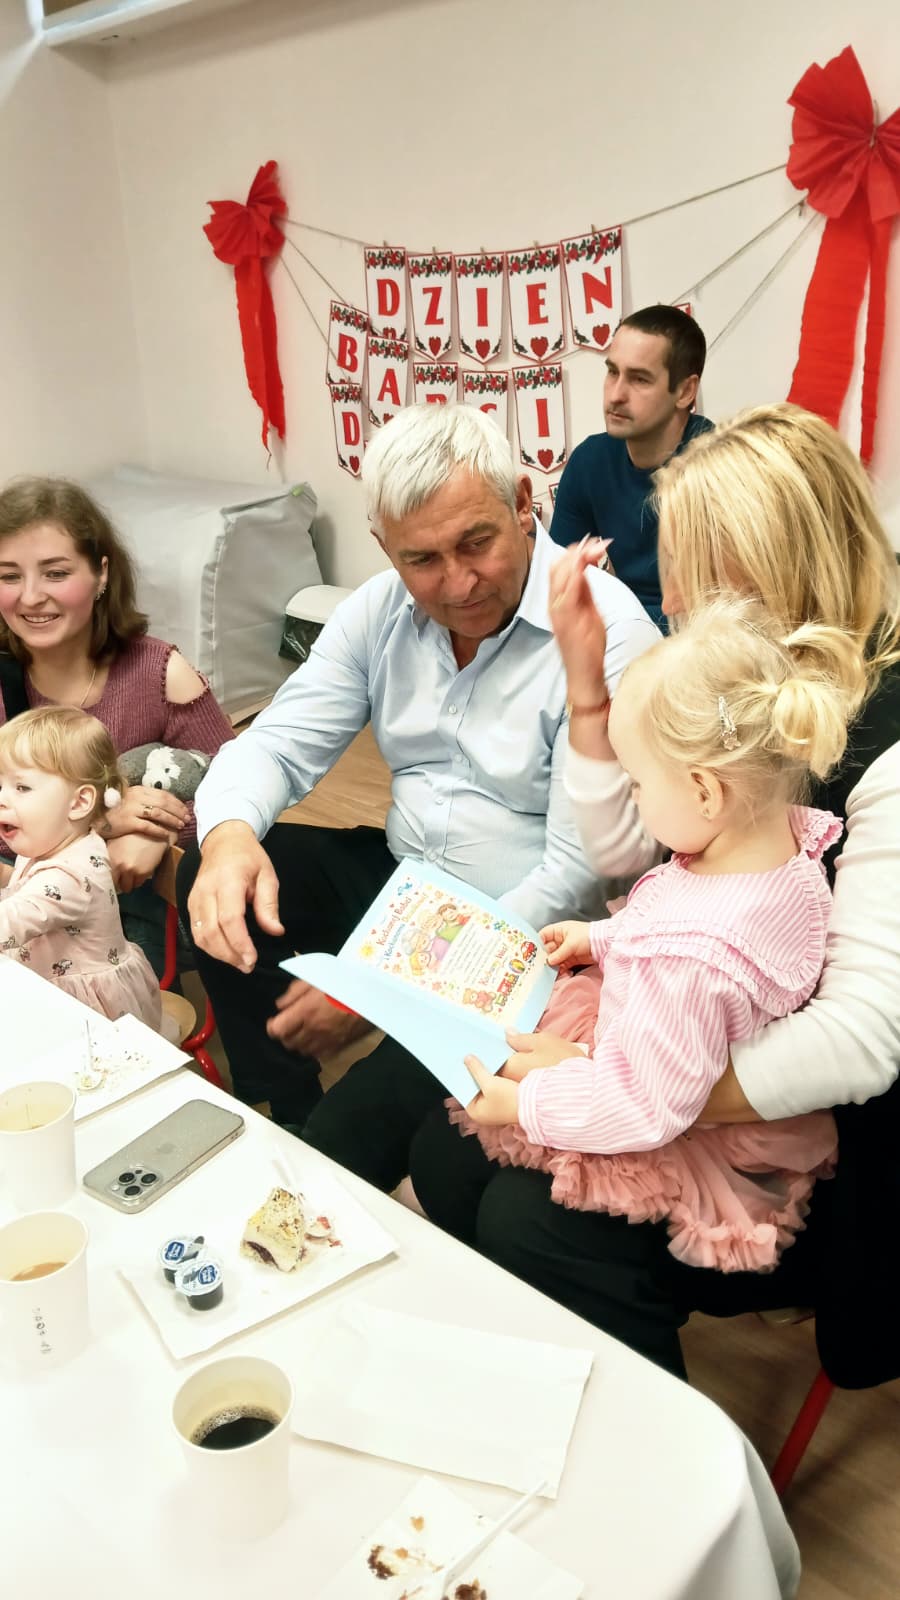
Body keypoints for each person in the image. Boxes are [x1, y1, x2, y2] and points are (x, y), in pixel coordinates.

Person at [408, 403, 900, 1382]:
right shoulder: (744, 685)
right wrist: (588, 687)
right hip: (686, 1056)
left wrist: (620, 1083)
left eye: (695, 576)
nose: (669, 599)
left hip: (802, 1138)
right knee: (447, 1149)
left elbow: (860, 1038)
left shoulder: (881, 747)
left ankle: (663, 1448)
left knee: (531, 1219)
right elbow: (638, 861)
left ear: (783, 571)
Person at [180, 403, 660, 1166]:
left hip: (532, 937)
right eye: (422, 559)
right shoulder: (378, 610)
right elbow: (275, 744)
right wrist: (230, 836)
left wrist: (383, 991)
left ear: (524, 503)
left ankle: (329, 1129)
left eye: (477, 543)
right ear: (384, 547)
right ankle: (287, 1102)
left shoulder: (607, 631)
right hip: (408, 886)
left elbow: (579, 876)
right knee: (215, 871)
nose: (459, 583)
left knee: (346, 1152)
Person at [427, 599, 859, 1292]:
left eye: (636, 783)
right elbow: (675, 910)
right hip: (677, 1053)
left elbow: (642, 1105)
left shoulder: (689, 963)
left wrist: (527, 1105)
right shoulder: (775, 855)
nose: (632, 799)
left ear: (704, 791)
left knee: (473, 1139)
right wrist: (602, 936)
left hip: (656, 1108)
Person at [0, 477, 235, 974]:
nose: (31, 597)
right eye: (9, 576)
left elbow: (238, 792)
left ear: (101, 574)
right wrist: (102, 824)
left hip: (123, 934)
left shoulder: (161, 673)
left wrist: (157, 833)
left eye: (56, 573)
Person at [549, 305, 711, 627]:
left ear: (685, 391)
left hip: (700, 641)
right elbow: (557, 586)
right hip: (624, 632)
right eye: (612, 372)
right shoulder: (589, 462)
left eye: (639, 379)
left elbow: (730, 609)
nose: (616, 395)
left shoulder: (720, 467)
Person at [0, 705, 161, 1030]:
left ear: (79, 803)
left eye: (22, 788)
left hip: (90, 1019)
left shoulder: (70, 877)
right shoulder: (50, 842)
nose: (2, 799)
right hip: (49, 987)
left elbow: (10, 920)